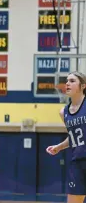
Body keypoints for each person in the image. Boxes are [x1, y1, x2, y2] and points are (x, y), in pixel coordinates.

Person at [46, 71, 86, 203]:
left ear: (83, 86)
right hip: (77, 163)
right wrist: (59, 147)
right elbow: (74, 136)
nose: (67, 83)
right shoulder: (63, 112)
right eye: (67, 80)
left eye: (72, 81)